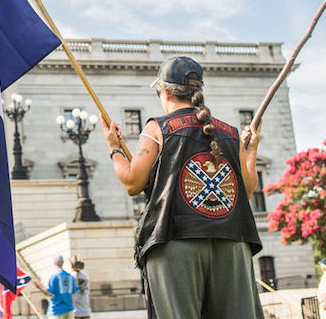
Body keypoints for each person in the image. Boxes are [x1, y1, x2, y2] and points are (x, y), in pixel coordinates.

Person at [100, 55, 264, 319]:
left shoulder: (157, 128)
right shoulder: (230, 132)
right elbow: (245, 192)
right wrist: (251, 150)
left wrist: (114, 148)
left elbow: (132, 182)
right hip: (232, 243)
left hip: (175, 241)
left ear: (164, 91)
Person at [32, 255, 78, 319]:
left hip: (56, 310)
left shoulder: (53, 276)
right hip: (69, 309)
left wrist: (38, 286)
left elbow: (49, 293)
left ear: (54, 263)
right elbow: (73, 294)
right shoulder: (70, 277)